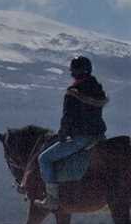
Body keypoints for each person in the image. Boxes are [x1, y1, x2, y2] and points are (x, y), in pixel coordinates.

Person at [36, 55, 108, 210]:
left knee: (44, 159)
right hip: (100, 137)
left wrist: (62, 134)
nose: (71, 74)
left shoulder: (73, 92)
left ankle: (52, 199)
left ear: (76, 72)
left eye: (73, 71)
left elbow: (67, 117)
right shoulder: (97, 89)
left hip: (81, 139)